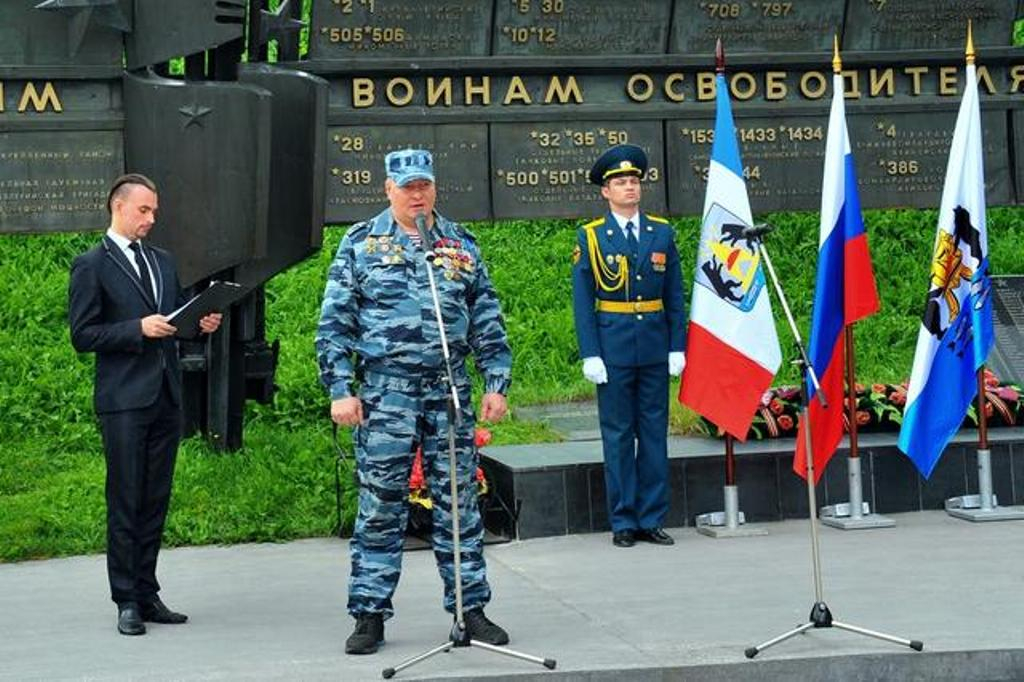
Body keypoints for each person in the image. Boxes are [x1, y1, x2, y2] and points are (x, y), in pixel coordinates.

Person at [316, 149, 513, 655]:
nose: (417, 195)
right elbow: (334, 326)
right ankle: (369, 613)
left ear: (435, 188)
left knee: (459, 504)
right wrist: (341, 390)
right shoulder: (361, 243)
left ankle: (471, 609)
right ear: (388, 190)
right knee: (380, 504)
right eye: (407, 187)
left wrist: (496, 381)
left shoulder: (459, 243)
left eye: (424, 185)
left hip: (448, 392)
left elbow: (487, 316)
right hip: (386, 394)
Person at [68, 174, 222, 636]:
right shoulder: (91, 265)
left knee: (155, 499)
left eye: (154, 211)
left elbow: (173, 316)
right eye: (144, 210)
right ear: (119, 207)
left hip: (164, 396)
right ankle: (126, 600)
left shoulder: (162, 260)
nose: (152, 219)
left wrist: (200, 321)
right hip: (123, 401)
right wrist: (137, 328)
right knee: (126, 497)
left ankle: (148, 591)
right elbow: (83, 334)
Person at [571, 144, 687, 548]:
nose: (629, 188)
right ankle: (622, 520)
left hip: (654, 345)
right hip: (614, 346)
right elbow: (583, 299)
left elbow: (674, 292)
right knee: (619, 435)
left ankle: (651, 517)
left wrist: (678, 345)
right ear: (606, 191)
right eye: (620, 182)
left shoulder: (661, 232)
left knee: (654, 433)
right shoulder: (590, 236)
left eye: (634, 181)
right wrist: (590, 352)